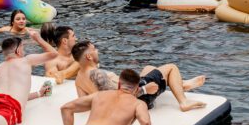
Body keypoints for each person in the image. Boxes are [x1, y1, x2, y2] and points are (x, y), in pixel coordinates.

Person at [72, 40, 206, 112]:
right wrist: (145, 90)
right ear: (89, 56)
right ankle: (184, 102)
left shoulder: (79, 78)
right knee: (171, 67)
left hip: (130, 91)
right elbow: (119, 98)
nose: (97, 51)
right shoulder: (97, 74)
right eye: (94, 49)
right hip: (137, 99)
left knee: (149, 68)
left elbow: (83, 104)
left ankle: (180, 85)